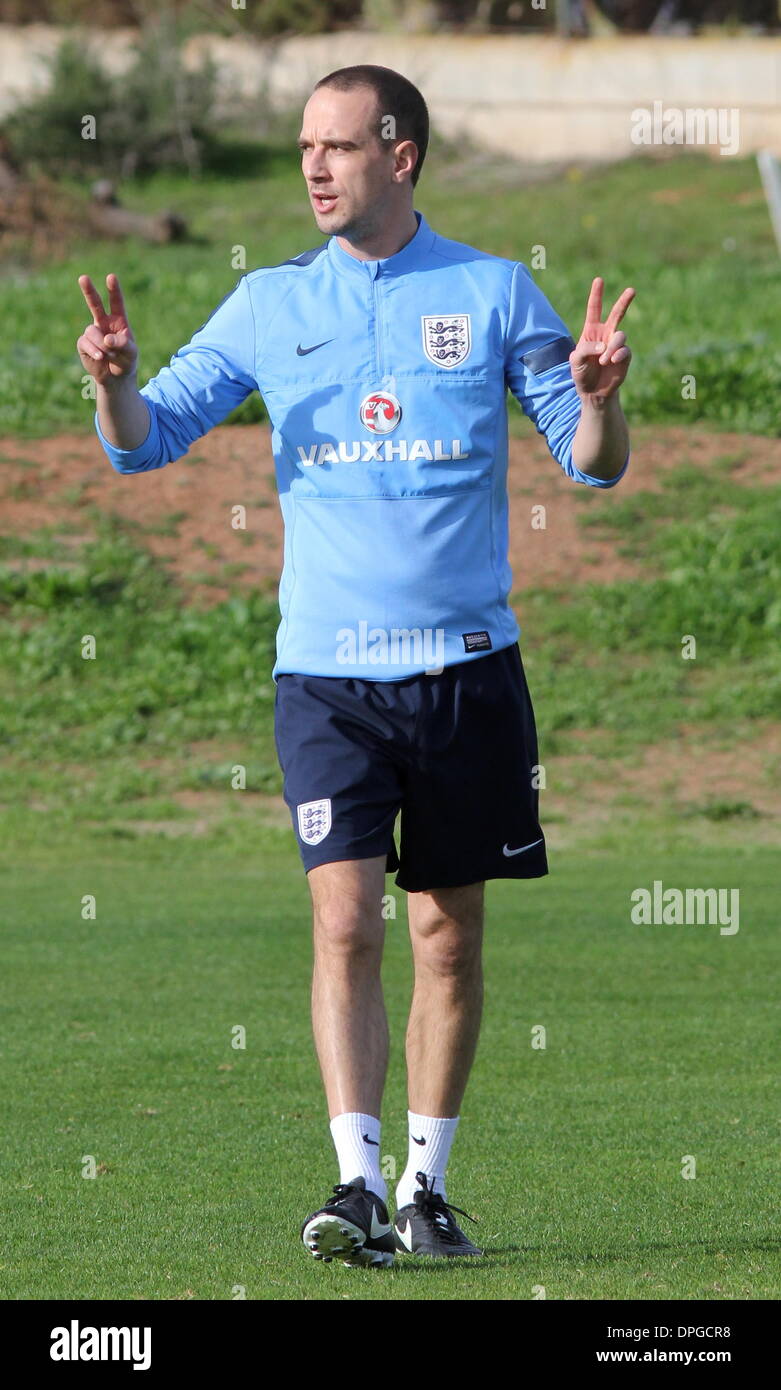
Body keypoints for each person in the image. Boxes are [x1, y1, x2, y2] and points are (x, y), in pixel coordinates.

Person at [79, 63, 634, 1269]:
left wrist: (595, 399)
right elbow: (144, 443)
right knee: (345, 927)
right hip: (325, 676)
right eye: (301, 149)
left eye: (336, 146)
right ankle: (355, 1183)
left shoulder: (491, 291)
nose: (315, 168)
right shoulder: (270, 303)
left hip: (467, 674)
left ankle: (430, 1190)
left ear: (402, 155)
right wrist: (115, 384)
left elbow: (590, 462)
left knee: (445, 936)